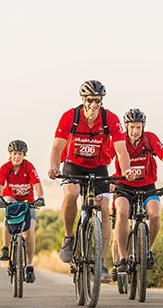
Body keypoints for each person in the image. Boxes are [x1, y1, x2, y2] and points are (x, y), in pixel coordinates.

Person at [48, 80, 134, 283]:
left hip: (98, 167)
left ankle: (101, 263)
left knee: (104, 207)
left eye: (99, 100)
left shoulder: (110, 118)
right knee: (71, 193)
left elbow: (122, 150)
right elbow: (57, 148)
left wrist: (127, 169)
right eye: (91, 100)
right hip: (73, 165)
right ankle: (69, 238)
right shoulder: (71, 116)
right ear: (83, 100)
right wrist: (54, 166)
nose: (95, 104)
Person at [110, 108, 163, 277]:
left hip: (147, 186)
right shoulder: (119, 140)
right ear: (126, 127)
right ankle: (123, 259)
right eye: (132, 127)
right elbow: (105, 160)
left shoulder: (150, 139)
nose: (135, 131)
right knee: (122, 211)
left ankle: (148, 251)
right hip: (123, 187)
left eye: (138, 127)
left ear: (143, 127)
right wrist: (109, 182)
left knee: (154, 215)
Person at [0, 140, 45, 283]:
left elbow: (37, 185)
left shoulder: (28, 166)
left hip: (27, 201)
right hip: (11, 199)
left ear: (24, 155)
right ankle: (5, 247)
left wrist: (40, 197)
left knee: (29, 231)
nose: (17, 157)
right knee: (8, 211)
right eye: (14, 154)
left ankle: (29, 265)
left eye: (20, 154)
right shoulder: (5, 167)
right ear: (10, 154)